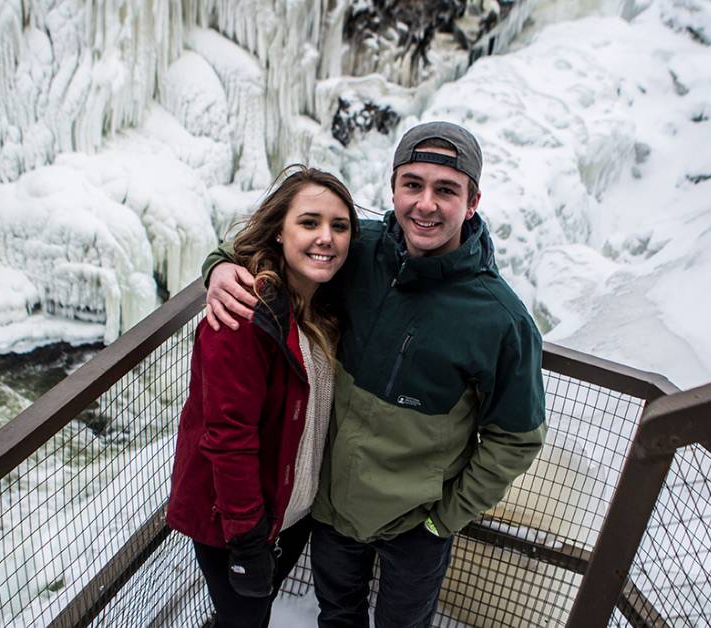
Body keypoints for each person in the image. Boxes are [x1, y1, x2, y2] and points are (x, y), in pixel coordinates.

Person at [203, 121, 546, 627]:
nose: (425, 204)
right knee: (337, 614)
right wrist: (218, 266)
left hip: (417, 526)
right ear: (393, 189)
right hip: (334, 510)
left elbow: (516, 438)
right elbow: (273, 245)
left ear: (472, 202)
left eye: (445, 190)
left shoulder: (500, 319)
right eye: (413, 185)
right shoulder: (355, 250)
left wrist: (443, 520)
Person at [166, 166, 359, 628]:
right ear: (278, 233)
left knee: (251, 613)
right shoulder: (243, 314)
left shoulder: (324, 304)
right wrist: (247, 540)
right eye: (309, 222)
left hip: (292, 511)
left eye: (339, 226)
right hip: (239, 524)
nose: (326, 237)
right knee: (246, 620)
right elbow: (229, 437)